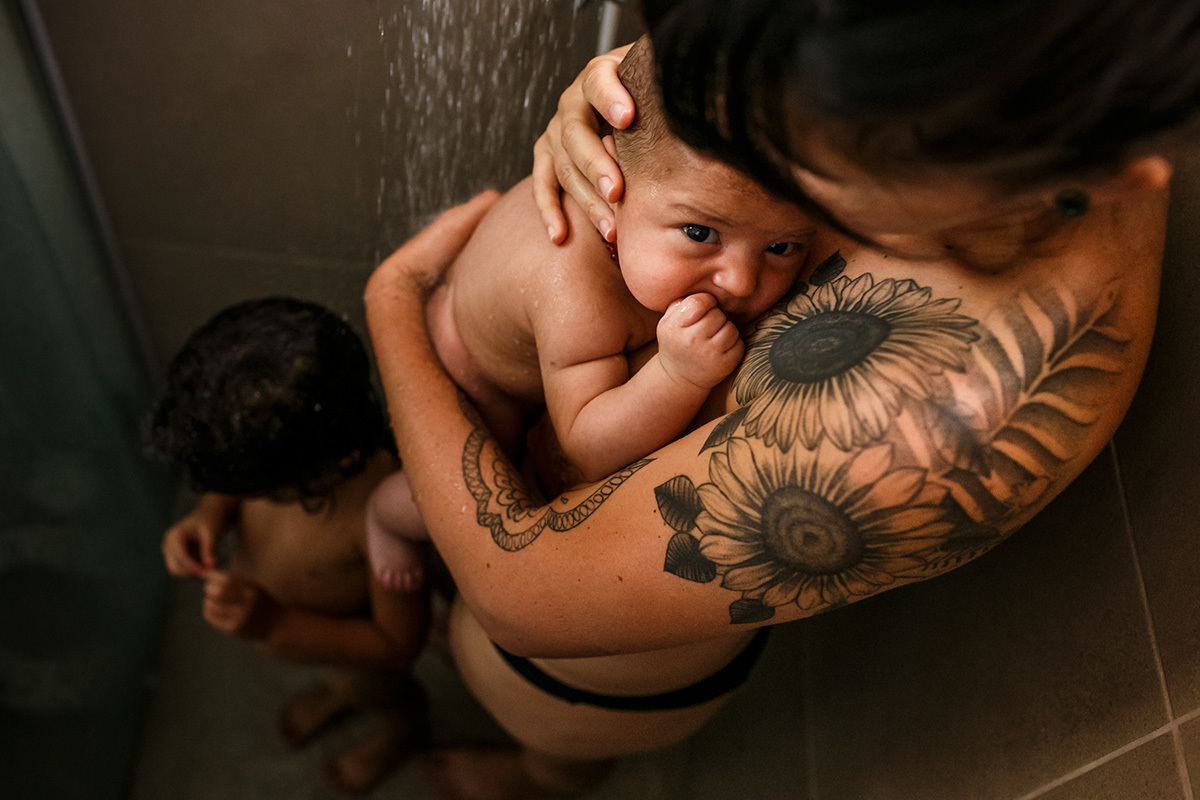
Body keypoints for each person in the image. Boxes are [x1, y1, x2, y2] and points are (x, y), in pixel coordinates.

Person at [366, 1, 1195, 797]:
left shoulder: (946, 420)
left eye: (808, 176)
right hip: (531, 500)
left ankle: (541, 780)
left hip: (584, 676)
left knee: (552, 754)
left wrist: (393, 302)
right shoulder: (951, 77)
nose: (753, 160)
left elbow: (519, 597)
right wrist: (628, 90)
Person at [365, 36, 815, 593]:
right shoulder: (576, 293)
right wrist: (677, 375)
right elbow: (585, 440)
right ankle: (387, 517)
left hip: (512, 313)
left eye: (783, 248)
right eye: (700, 234)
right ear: (611, 187)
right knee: (490, 469)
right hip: (475, 367)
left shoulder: (668, 204)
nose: (742, 282)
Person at [145, 297, 430, 796]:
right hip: (300, 630)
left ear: (307, 477)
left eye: (250, 489)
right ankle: (339, 695)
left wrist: (276, 623)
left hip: (352, 651)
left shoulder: (385, 515)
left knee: (371, 691)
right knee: (336, 681)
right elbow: (237, 481)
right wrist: (208, 516)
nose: (240, 495)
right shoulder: (289, 444)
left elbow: (397, 645)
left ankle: (402, 730)